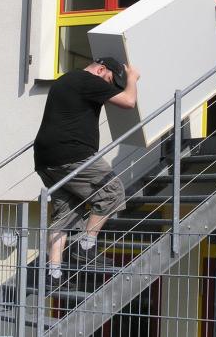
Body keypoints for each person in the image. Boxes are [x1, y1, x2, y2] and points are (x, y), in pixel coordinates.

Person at [33, 57, 140, 282]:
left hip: (45, 160)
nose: (108, 88)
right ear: (101, 69)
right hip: (72, 155)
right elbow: (129, 101)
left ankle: (53, 272)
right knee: (113, 191)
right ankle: (86, 247)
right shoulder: (89, 80)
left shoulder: (65, 80)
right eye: (109, 81)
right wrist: (132, 78)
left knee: (67, 211)